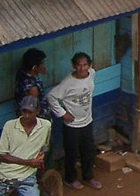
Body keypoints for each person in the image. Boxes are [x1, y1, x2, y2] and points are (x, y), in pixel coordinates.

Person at [47, 52, 101, 191]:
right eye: (79, 65)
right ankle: (70, 179)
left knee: (88, 151)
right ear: (73, 66)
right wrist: (63, 113)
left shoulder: (92, 74)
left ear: (89, 65)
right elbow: (51, 97)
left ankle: (88, 176)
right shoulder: (67, 83)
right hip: (72, 126)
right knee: (71, 153)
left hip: (87, 122)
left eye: (85, 65)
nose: (82, 69)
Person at [0, 96, 51, 196]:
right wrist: (28, 162)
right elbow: (1, 155)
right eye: (24, 112)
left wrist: (43, 154)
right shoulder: (9, 126)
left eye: (30, 112)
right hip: (4, 175)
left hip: (27, 176)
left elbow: (45, 145)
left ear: (37, 111)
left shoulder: (46, 126)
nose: (27, 116)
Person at [14, 48, 50, 119]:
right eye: (42, 63)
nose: (44, 65)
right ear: (34, 67)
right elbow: (33, 109)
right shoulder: (32, 88)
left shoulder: (22, 73)